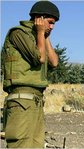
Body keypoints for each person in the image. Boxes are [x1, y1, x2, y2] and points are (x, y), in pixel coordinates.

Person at [1, 1, 60, 148]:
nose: (52, 26)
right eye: (50, 22)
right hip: (21, 101)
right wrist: (41, 32)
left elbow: (54, 62)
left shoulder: (39, 37)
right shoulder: (18, 33)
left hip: (36, 101)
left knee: (36, 145)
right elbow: (39, 58)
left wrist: (45, 36)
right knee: (21, 145)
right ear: (39, 18)